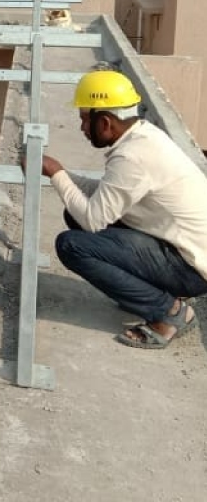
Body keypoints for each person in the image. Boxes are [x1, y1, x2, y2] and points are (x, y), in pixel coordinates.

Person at [33, 69, 207, 349]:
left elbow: (92, 220)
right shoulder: (143, 137)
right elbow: (105, 193)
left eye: (84, 120)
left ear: (104, 122)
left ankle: (167, 313)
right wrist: (61, 173)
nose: (82, 128)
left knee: (72, 245)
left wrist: (55, 173)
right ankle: (144, 292)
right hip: (184, 251)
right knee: (73, 212)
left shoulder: (133, 157)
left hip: (190, 269)